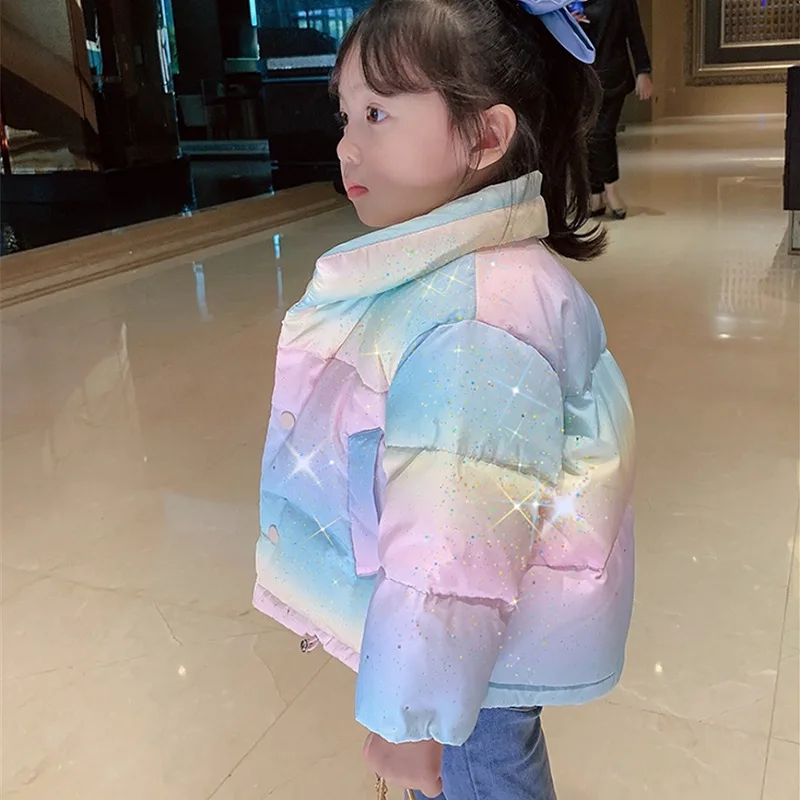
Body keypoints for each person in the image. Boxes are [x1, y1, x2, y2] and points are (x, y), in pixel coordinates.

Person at [253, 1, 636, 798]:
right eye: (347, 113)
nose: (347, 144)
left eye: (379, 113)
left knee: (479, 773)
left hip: (471, 656)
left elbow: (454, 546)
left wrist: (416, 719)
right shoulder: (469, 275)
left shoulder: (473, 322)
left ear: (484, 137)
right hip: (481, 637)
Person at [574, 0, 653, 219]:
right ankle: (595, 193)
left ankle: (611, 188)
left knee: (603, 133)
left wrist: (643, 70)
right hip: (580, 78)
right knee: (587, 136)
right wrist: (568, 24)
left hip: (613, 75)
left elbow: (634, 31)